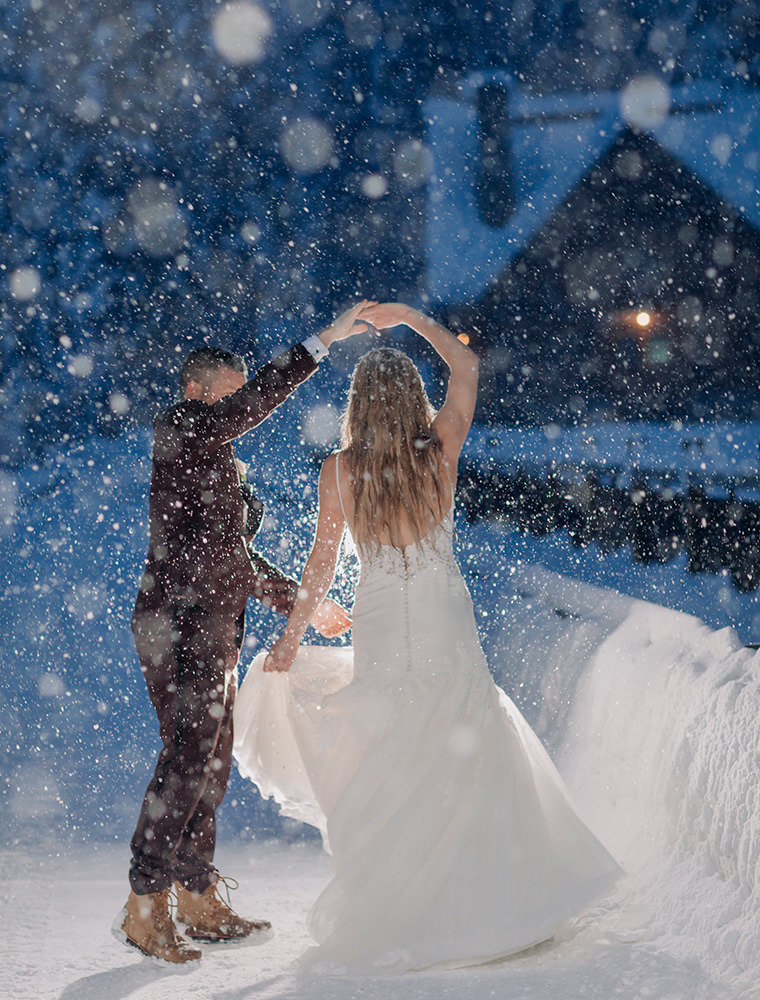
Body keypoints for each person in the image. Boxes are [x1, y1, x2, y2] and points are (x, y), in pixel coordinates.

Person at [234, 302, 622, 975]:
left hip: (383, 622)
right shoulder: (439, 449)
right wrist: (411, 318)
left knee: (396, 751)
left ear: (357, 404)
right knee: (464, 744)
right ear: (413, 397)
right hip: (443, 616)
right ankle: (490, 901)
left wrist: (291, 638)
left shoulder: (339, 471)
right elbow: (467, 364)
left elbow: (320, 568)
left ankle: (407, 900)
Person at [115, 301, 374, 964]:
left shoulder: (212, 453)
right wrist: (321, 343)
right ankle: (145, 905)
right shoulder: (181, 425)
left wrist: (302, 606)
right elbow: (250, 405)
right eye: (228, 396)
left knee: (209, 761)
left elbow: (230, 552)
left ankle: (197, 896)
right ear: (197, 392)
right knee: (187, 759)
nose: (241, 412)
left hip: (211, 624)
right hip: (177, 623)